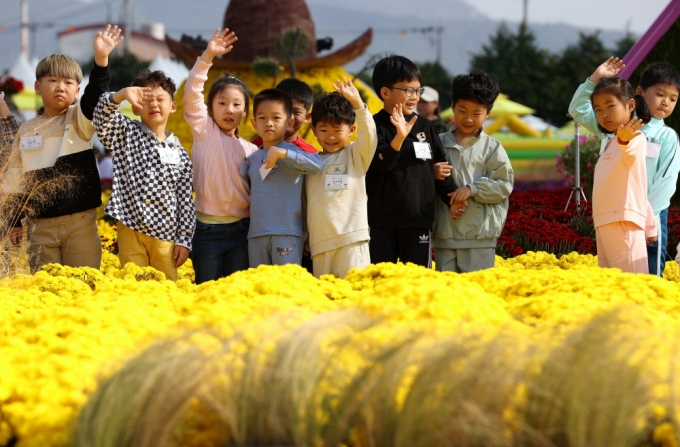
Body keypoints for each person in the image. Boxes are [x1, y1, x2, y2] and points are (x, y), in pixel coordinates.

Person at [4, 25, 122, 271]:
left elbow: (95, 96)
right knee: (46, 289)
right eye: (53, 80)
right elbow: (15, 177)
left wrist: (101, 60)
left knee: (84, 283)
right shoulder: (27, 130)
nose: (60, 87)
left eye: (68, 82)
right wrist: (14, 222)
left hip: (80, 224)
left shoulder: (79, 117)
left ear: (77, 91)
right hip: (39, 228)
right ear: (38, 87)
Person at [569, 58, 679, 275]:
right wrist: (595, 78)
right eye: (659, 94)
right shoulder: (612, 126)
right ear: (638, 94)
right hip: (618, 217)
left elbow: (666, 182)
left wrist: (647, 219)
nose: (665, 102)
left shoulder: (667, 136)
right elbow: (577, 109)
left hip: (648, 217)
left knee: (649, 274)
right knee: (618, 276)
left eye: (673, 98)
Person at [93, 69, 195, 281]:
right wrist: (120, 95)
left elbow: (185, 199)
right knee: (133, 284)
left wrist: (184, 239)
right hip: (130, 227)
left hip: (165, 233)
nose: (154, 104)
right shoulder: (125, 133)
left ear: (173, 106)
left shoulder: (180, 153)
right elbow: (100, 118)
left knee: (165, 286)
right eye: (146, 100)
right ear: (136, 108)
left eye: (160, 99)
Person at [183, 28, 258, 284]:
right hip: (206, 231)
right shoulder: (204, 131)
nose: (229, 110)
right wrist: (208, 56)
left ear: (246, 112)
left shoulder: (252, 150)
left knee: (236, 293)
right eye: (222, 103)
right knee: (206, 292)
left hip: (242, 231)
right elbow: (192, 93)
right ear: (210, 107)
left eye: (237, 104)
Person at [366, 55, 455, 267]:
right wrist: (399, 136)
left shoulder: (424, 126)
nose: (415, 97)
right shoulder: (373, 126)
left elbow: (442, 165)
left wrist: (452, 197)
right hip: (382, 221)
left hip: (418, 218)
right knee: (379, 280)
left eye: (418, 90)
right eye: (408, 90)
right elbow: (380, 165)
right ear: (385, 93)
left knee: (418, 281)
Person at [433, 70, 513, 273]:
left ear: (488, 113)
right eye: (462, 111)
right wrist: (431, 173)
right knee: (446, 296)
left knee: (478, 294)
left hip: (480, 238)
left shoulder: (493, 148)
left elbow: (504, 185)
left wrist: (473, 189)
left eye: (477, 113)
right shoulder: (437, 143)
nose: (468, 118)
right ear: (452, 107)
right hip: (445, 235)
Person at [305, 78, 377, 278]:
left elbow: (370, 137)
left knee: (354, 296)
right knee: (327, 300)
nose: (331, 136)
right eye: (324, 130)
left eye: (338, 130)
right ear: (314, 131)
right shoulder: (309, 163)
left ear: (351, 130)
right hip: (320, 244)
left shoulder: (356, 155)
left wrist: (359, 106)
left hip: (352, 241)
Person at [246, 88, 322, 268]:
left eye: (276, 118)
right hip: (255, 235)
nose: (269, 123)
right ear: (254, 123)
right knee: (258, 288)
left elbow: (317, 166)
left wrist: (283, 153)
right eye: (262, 118)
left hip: (286, 233)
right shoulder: (251, 158)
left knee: (286, 286)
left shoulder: (294, 152)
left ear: (289, 122)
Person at [251, 77, 317, 154]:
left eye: (296, 112)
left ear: (307, 117)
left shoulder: (310, 154)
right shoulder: (255, 146)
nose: (289, 117)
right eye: (284, 110)